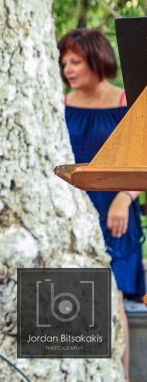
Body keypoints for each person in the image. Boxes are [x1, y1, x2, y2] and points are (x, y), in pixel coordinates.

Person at [59, 27, 144, 376]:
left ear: (97, 59)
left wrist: (125, 198)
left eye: (75, 61)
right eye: (64, 62)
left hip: (116, 214)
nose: (67, 69)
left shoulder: (129, 102)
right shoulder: (59, 105)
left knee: (113, 300)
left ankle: (120, 377)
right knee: (71, 299)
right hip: (71, 214)